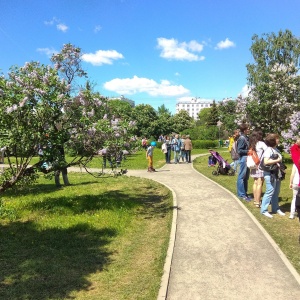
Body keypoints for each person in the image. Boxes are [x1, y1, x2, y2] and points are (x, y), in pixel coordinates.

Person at [260, 133, 285, 218]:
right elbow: (266, 162)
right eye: (277, 138)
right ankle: (264, 210)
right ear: (273, 140)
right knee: (270, 191)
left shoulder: (275, 149)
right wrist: (277, 160)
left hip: (277, 173)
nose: (278, 140)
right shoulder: (268, 150)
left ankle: (275, 208)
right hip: (270, 174)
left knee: (276, 192)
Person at [249, 129, 267, 208]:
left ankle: (255, 199)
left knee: (255, 183)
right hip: (260, 166)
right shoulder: (261, 143)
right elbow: (268, 150)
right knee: (260, 183)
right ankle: (258, 201)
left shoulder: (252, 144)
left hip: (253, 165)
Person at [236, 123, 251, 201]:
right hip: (243, 159)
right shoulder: (242, 138)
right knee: (241, 177)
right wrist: (248, 151)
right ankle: (241, 194)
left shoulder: (246, 137)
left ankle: (245, 193)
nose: (249, 130)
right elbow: (239, 150)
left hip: (247, 158)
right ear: (244, 130)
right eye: (248, 129)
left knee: (246, 177)